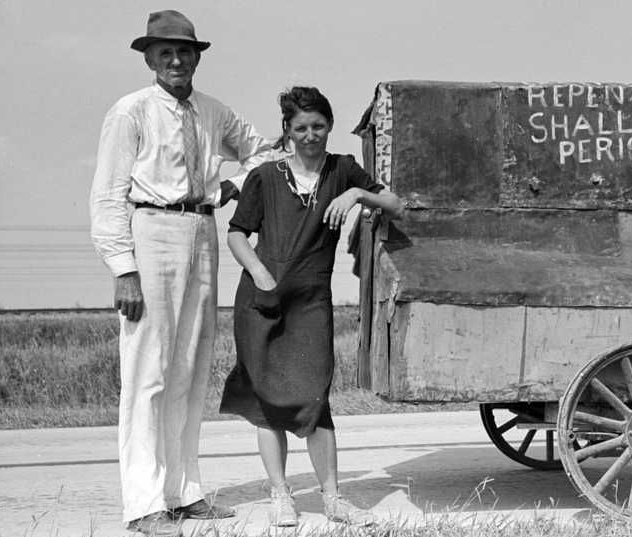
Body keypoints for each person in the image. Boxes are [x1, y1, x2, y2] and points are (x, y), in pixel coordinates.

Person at [89, 10, 270, 537]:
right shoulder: (131, 112)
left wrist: (228, 186)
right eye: (165, 52)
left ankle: (183, 491)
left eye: (184, 51)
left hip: (201, 231)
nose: (176, 60)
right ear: (149, 58)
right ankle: (145, 502)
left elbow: (260, 152)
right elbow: (106, 195)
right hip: (151, 232)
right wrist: (123, 269)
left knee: (189, 368)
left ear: (197, 57)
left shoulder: (213, 111)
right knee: (148, 371)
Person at [219, 86, 403, 527]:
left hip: (310, 301)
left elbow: (395, 204)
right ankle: (281, 494)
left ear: (329, 127)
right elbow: (237, 233)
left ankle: (334, 498)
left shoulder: (343, 171)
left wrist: (357, 196)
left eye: (318, 126)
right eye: (300, 127)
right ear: (286, 130)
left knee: (315, 398)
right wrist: (261, 274)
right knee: (267, 402)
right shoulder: (264, 176)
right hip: (261, 300)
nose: (310, 135)